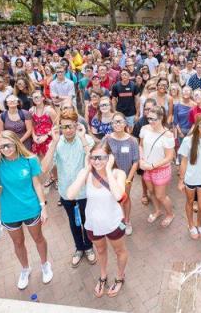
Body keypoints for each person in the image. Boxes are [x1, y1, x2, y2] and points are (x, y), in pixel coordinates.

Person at [0, 131, 52, 290]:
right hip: (9, 212)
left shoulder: (30, 159)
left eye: (8, 145)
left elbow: (37, 185)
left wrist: (43, 207)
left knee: (38, 238)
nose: (6, 149)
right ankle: (25, 269)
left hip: (31, 208)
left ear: (16, 143)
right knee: (18, 242)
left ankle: (44, 264)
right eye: (2, 146)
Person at [67, 141, 128, 298]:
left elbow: (118, 195)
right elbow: (70, 195)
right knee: (100, 250)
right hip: (93, 224)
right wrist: (87, 169)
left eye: (101, 157)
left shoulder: (117, 174)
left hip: (114, 222)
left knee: (119, 251)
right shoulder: (86, 172)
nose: (97, 161)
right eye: (93, 157)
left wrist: (108, 169)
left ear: (110, 158)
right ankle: (103, 276)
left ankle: (120, 277)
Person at [41, 109, 96, 267]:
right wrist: (54, 142)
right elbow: (44, 168)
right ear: (60, 127)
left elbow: (93, 162)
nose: (68, 130)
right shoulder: (56, 144)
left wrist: (83, 138)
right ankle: (79, 248)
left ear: (76, 125)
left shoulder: (86, 140)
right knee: (74, 222)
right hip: (67, 193)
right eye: (64, 127)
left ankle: (89, 247)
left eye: (71, 126)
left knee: (87, 221)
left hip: (85, 191)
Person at [139, 106, 175, 227]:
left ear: (161, 118)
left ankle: (170, 214)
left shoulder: (168, 135)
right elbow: (141, 146)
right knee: (151, 192)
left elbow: (169, 157)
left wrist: (153, 165)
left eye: (154, 119)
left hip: (161, 169)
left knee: (161, 195)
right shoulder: (144, 129)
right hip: (147, 168)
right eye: (149, 118)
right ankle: (158, 211)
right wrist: (141, 160)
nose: (151, 121)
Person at [177, 113, 201, 239]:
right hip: (190, 179)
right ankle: (191, 224)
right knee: (190, 202)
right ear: (197, 124)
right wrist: (181, 180)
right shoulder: (188, 140)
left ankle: (199, 224)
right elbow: (184, 161)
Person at [104, 113, 139, 236]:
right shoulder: (107, 139)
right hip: (110, 177)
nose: (117, 124)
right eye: (114, 122)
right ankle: (117, 221)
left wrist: (128, 180)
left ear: (125, 123)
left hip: (126, 177)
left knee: (125, 198)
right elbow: (102, 157)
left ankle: (127, 221)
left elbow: (135, 162)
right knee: (113, 200)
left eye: (120, 121)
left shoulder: (132, 141)